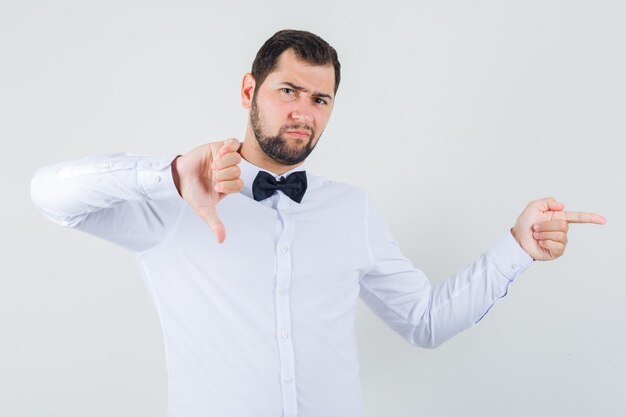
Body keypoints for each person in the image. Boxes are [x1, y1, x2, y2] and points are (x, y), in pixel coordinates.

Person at [30, 29, 605, 417]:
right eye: (288, 91)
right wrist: (171, 173)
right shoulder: (172, 202)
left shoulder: (352, 210)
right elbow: (49, 194)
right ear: (248, 90)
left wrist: (516, 247)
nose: (303, 112)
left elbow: (425, 322)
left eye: (321, 99)